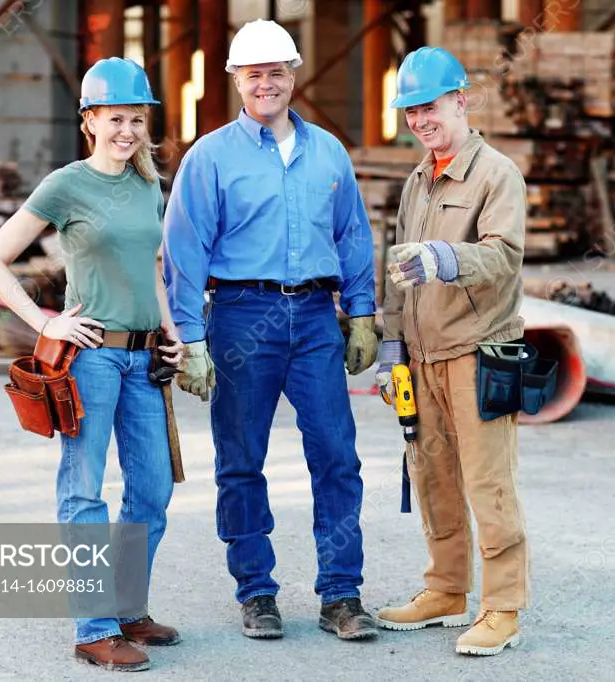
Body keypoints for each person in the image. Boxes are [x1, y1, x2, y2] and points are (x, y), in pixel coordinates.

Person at [162, 19, 379, 641]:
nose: (266, 84)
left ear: (294, 75)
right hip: (239, 317)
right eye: (254, 74)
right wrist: (191, 341)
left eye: (276, 72)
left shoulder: (329, 153)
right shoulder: (209, 158)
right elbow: (185, 252)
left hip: (314, 318)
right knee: (240, 460)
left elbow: (353, 236)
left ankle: (342, 594)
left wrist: (361, 312)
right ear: (236, 80)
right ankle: (256, 590)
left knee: (337, 456)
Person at [0, 57, 183, 672]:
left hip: (144, 360)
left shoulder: (149, 185)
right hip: (90, 360)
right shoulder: (65, 186)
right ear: (89, 121)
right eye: (115, 118)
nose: (127, 130)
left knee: (152, 488)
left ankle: (125, 607)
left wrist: (171, 331)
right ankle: (94, 628)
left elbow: (152, 268)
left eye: (137, 119)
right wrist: (46, 321)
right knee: (84, 493)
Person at [374, 47, 530, 657]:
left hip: (479, 354)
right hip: (424, 357)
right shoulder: (418, 181)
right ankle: (445, 589)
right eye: (410, 110)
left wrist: (445, 258)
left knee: (488, 483)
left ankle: (503, 607)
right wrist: (392, 348)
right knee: (433, 476)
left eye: (430, 106)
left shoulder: (496, 174)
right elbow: (396, 274)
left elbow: (504, 258)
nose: (420, 119)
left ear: (461, 101)